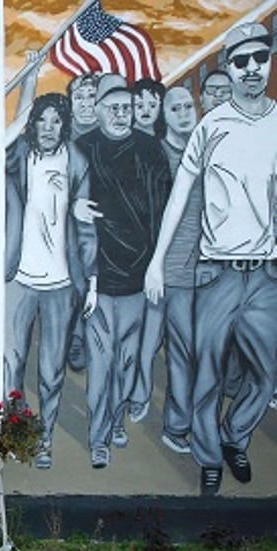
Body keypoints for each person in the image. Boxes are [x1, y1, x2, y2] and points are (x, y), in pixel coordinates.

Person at [144, 22, 277, 496]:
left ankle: (234, 436)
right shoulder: (211, 127)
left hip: (264, 275)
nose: (251, 69)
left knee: (268, 373)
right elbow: (179, 200)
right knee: (207, 372)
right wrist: (157, 262)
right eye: (240, 61)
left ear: (268, 59)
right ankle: (209, 460)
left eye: (259, 58)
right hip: (217, 273)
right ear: (228, 67)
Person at [76, 73, 171, 469]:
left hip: (138, 276)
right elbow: (57, 199)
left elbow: (163, 211)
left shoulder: (151, 150)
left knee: (128, 361)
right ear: (97, 111)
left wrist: (156, 266)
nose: (120, 114)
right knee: (100, 363)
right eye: (112, 108)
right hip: (97, 276)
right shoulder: (81, 149)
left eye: (126, 109)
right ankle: (98, 438)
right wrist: (72, 207)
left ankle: (115, 420)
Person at [4, 93, 97, 470]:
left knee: (50, 371)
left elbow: (87, 228)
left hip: (60, 284)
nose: (48, 128)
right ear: (32, 123)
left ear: (65, 124)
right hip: (19, 280)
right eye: (41, 120)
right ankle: (14, 433)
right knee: (11, 363)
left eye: (55, 120)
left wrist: (90, 280)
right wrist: (27, 82)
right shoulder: (18, 157)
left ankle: (44, 440)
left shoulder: (77, 162)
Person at [138, 86, 201, 451]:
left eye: (187, 106)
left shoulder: (207, 151)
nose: (182, 112)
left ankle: (175, 426)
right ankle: (138, 400)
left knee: (185, 352)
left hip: (197, 272)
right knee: (144, 347)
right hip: (159, 269)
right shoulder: (155, 155)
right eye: (174, 107)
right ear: (165, 115)